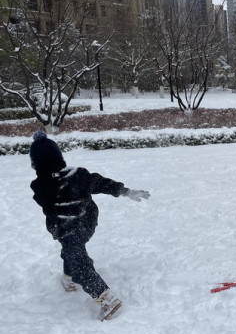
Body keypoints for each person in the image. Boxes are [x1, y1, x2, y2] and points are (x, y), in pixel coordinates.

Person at [29, 131, 150, 321]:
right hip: (87, 221)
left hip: (68, 229)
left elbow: (48, 195)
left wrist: (124, 190)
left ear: (35, 163)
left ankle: (107, 299)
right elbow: (101, 183)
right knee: (71, 251)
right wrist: (124, 191)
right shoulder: (78, 175)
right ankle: (69, 279)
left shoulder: (39, 186)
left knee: (79, 263)